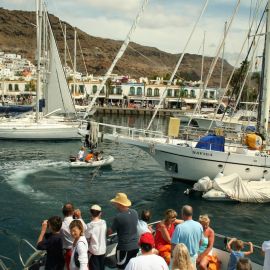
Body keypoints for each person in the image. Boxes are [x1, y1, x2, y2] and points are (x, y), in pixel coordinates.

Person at [107, 193, 139, 270]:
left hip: (124, 248)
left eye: (116, 203)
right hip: (135, 246)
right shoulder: (135, 212)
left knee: (121, 268)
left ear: (119, 204)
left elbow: (110, 232)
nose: (115, 205)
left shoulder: (118, 217)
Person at [60, 203, 87, 270]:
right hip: (79, 250)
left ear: (63, 212)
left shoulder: (61, 225)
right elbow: (85, 228)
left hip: (68, 252)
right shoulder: (77, 222)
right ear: (73, 212)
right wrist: (79, 217)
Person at [85, 204, 107, 270]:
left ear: (91, 213)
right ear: (100, 213)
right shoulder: (104, 222)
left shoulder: (89, 225)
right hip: (103, 250)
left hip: (94, 251)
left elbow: (87, 238)